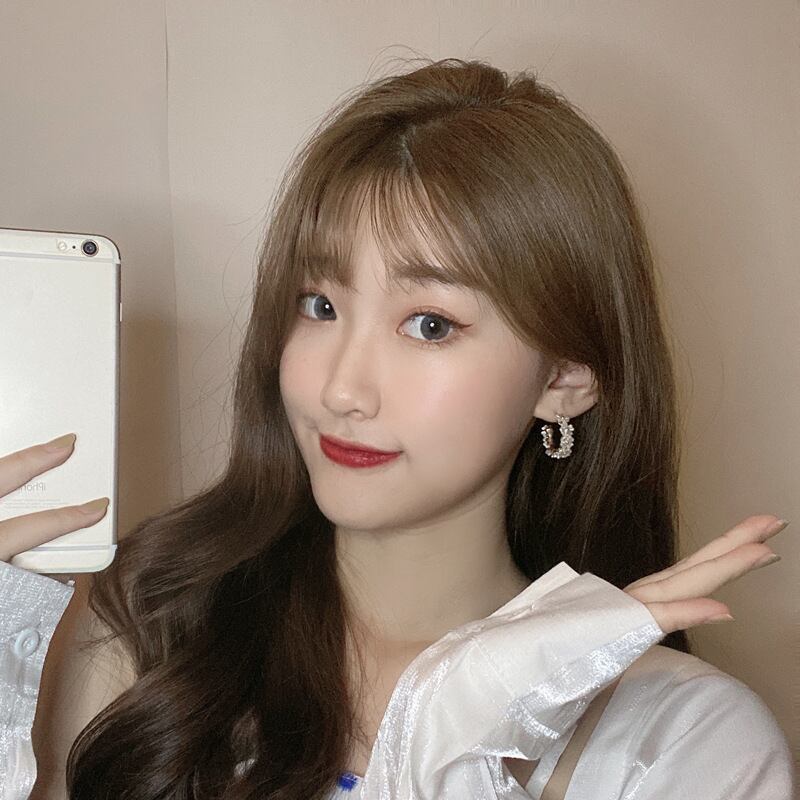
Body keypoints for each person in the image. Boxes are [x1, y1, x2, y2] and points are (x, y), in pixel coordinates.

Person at [2, 57, 793, 799]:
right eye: (320, 305)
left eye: (429, 325)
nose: (341, 389)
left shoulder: (683, 738)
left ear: (563, 379)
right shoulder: (155, 631)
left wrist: (454, 724)